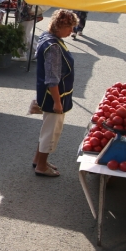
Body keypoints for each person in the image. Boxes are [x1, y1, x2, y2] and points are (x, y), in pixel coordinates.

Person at [33, 9, 78, 177]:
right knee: (51, 132)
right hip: (54, 96)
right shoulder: (54, 47)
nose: (71, 32)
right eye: (70, 28)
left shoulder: (47, 37)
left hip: (45, 93)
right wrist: (58, 102)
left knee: (46, 129)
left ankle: (38, 159)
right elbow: (53, 78)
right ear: (61, 26)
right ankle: (41, 166)